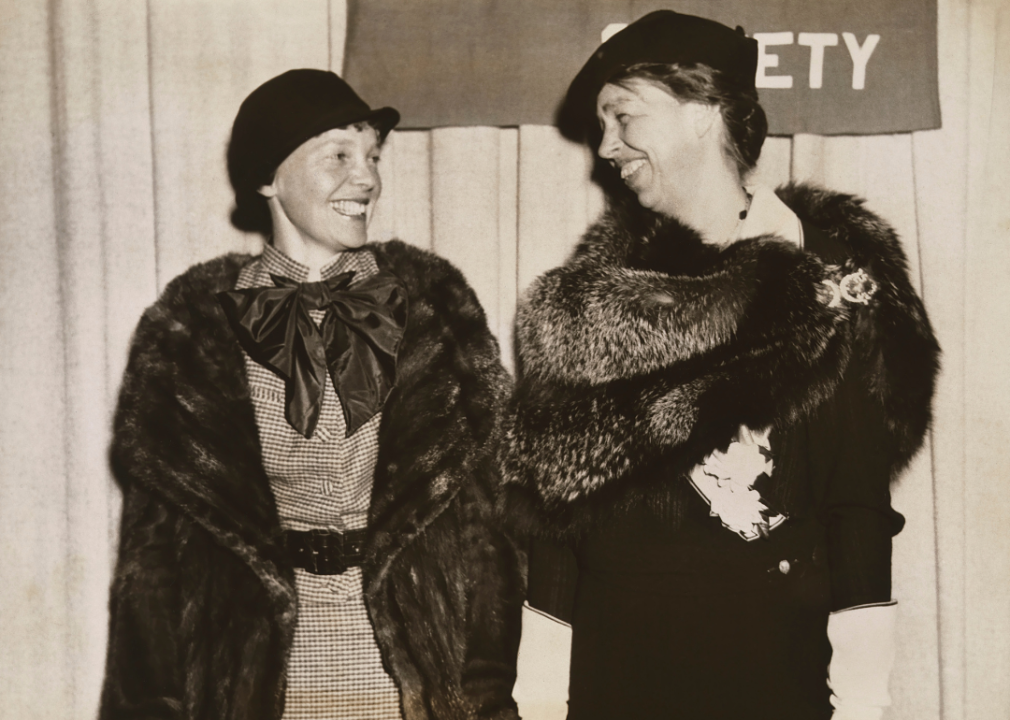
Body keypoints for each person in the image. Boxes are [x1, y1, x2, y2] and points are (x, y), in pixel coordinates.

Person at [502, 11, 939, 720]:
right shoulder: (591, 293)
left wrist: (862, 704)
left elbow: (855, 510)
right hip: (616, 677)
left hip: (770, 675)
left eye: (623, 115)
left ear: (704, 113)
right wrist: (542, 696)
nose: (605, 145)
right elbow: (558, 521)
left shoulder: (832, 274)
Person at [100, 69, 524, 720]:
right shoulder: (189, 333)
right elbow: (153, 569)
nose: (368, 179)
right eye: (339, 156)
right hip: (257, 682)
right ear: (268, 178)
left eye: (373, 157)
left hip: (407, 682)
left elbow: (483, 543)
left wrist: (488, 697)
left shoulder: (437, 312)